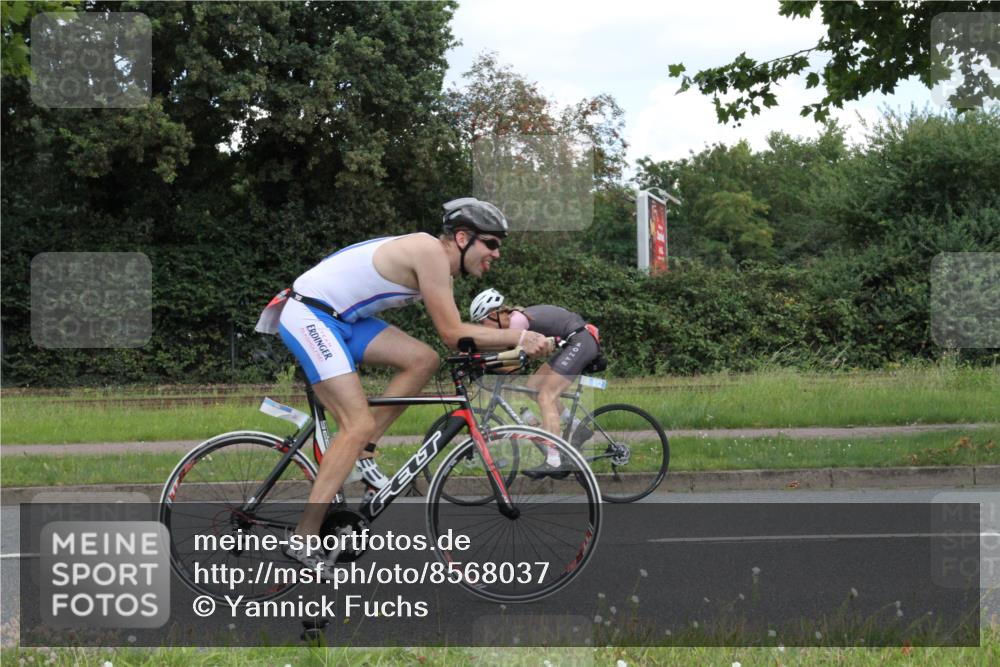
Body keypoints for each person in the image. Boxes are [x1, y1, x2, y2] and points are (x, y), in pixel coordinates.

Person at [255, 199, 553, 576]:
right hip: (311, 315)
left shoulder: (441, 272)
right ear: (462, 238)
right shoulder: (429, 251)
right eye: (491, 243)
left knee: (422, 360)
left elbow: (458, 338)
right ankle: (304, 537)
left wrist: (509, 348)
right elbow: (453, 333)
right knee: (356, 422)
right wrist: (521, 336)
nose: (496, 253)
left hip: (342, 319)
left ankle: (361, 453)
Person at [470, 289, 603, 472]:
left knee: (545, 396)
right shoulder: (512, 324)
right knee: (533, 386)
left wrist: (483, 366)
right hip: (573, 343)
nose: (483, 327)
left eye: (482, 321)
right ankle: (578, 427)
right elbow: (509, 360)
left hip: (580, 341)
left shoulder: (516, 322)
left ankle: (555, 461)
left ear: (493, 315)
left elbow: (513, 365)